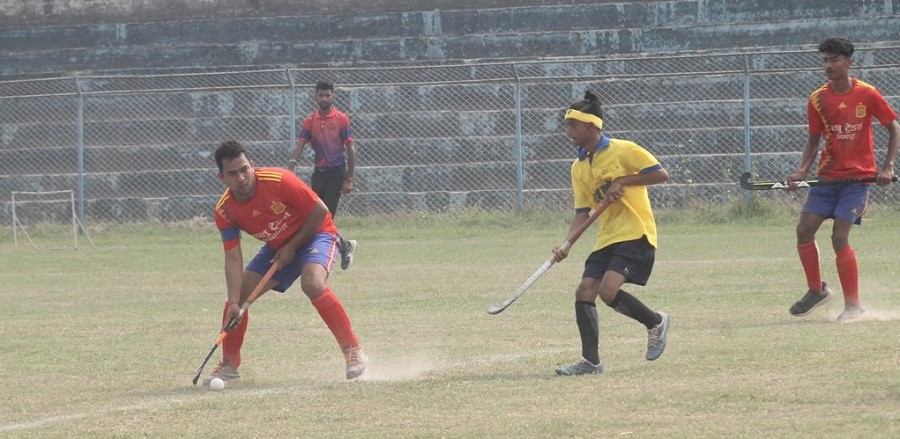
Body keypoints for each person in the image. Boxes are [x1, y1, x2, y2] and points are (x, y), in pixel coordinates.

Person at [203, 140, 367, 386]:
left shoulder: (278, 180)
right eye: (233, 173)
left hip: (317, 233)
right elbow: (233, 256)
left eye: (244, 169)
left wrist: (292, 246)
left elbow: (321, 211)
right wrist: (234, 302)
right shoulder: (225, 210)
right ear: (222, 177)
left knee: (312, 283)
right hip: (278, 247)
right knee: (238, 296)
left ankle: (353, 351)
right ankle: (229, 366)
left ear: (252, 165)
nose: (241, 177)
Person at [552, 90, 671, 376]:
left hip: (635, 232)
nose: (568, 132)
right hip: (607, 235)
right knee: (585, 290)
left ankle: (655, 322)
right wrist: (567, 243)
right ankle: (590, 362)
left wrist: (624, 180)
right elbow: (582, 212)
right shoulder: (578, 167)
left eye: (573, 126)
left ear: (591, 127)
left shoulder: (624, 150)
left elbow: (660, 174)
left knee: (608, 290)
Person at [786, 37, 899, 322]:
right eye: (825, 60)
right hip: (826, 178)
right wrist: (801, 171)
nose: (828, 66)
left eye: (834, 60)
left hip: (857, 181)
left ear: (849, 62)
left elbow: (894, 129)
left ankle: (853, 305)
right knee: (803, 231)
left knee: (839, 236)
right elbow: (813, 141)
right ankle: (817, 291)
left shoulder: (868, 94)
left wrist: (887, 167)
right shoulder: (817, 99)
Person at [290, 80, 357, 270]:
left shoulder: (341, 119)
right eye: (321, 95)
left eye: (328, 95)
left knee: (324, 218)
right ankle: (345, 245)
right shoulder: (310, 121)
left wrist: (349, 179)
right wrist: (289, 170)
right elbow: (300, 146)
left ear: (333, 97)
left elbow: (351, 149)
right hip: (318, 175)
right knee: (314, 217)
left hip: (336, 174)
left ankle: (324, 254)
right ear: (316, 97)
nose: (324, 98)